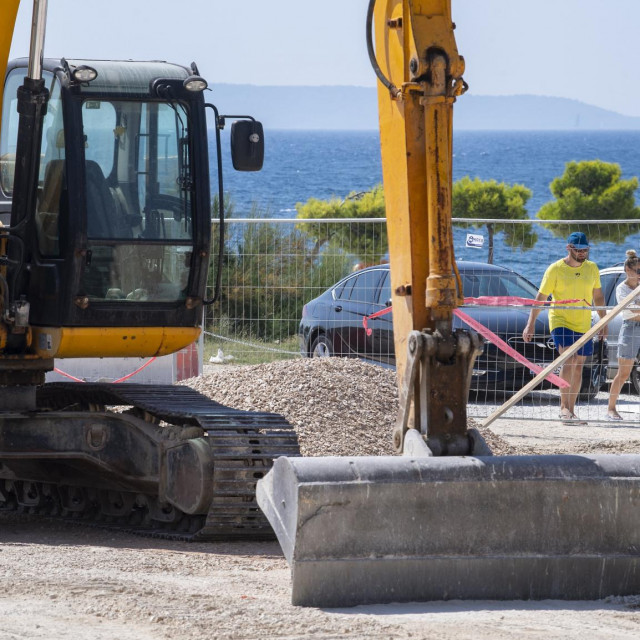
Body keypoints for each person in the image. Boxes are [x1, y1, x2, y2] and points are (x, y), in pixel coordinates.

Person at [523, 231, 607, 424]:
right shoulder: (555, 269)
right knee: (569, 359)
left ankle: (571, 409)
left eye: (585, 249)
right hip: (560, 320)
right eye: (578, 249)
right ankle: (563, 408)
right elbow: (540, 299)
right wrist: (531, 324)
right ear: (569, 248)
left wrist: (604, 322)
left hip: (583, 322)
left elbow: (599, 297)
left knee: (579, 365)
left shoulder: (592, 268)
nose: (583, 253)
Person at [607, 250, 640, 420]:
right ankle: (611, 408)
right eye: (638, 271)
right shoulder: (622, 289)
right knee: (624, 373)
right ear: (628, 270)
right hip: (631, 328)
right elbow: (631, 311)